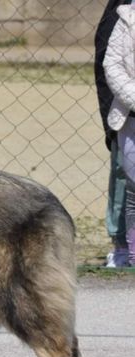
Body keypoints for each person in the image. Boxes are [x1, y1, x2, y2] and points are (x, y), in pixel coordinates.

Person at [95, 0, 129, 267]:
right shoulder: (123, 12)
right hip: (127, 111)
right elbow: (109, 62)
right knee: (124, 174)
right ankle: (122, 246)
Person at [103, 0, 135, 267]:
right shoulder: (125, 17)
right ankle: (132, 254)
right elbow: (110, 64)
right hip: (130, 118)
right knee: (133, 188)